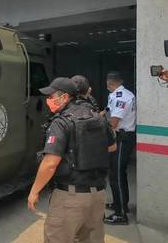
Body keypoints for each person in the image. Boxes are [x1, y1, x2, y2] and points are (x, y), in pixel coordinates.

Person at [28, 77, 116, 243]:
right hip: (97, 196)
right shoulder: (98, 117)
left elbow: (50, 164)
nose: (48, 100)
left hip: (70, 197)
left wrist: (34, 191)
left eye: (51, 96)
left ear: (65, 97)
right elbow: (112, 147)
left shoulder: (61, 123)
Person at [103, 71, 136, 225]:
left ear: (109, 83)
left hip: (122, 139)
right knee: (117, 174)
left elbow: (113, 122)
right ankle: (120, 204)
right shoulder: (119, 94)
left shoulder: (121, 97)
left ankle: (121, 214)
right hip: (121, 138)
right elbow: (108, 111)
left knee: (116, 176)